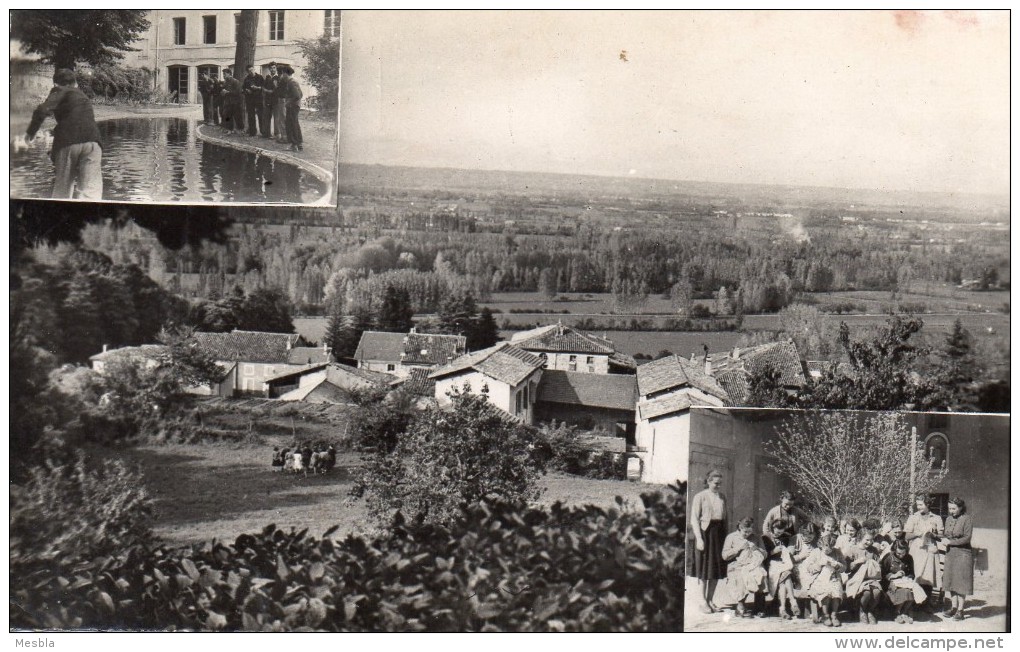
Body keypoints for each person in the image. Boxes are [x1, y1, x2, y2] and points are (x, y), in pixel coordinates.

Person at [25, 68, 104, 200]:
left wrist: (30, 134)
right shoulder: (82, 95)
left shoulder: (60, 90)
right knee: (91, 193)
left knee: (63, 190)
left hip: (68, 141)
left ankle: (59, 217)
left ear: (56, 84)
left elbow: (42, 110)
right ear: (75, 83)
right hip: (94, 143)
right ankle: (89, 218)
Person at [690, 469, 727, 614]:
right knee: (705, 570)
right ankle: (703, 601)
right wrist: (699, 538)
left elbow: (725, 518)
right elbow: (694, 518)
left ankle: (711, 600)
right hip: (706, 534)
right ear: (709, 482)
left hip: (719, 534)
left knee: (716, 570)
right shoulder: (700, 496)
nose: (718, 486)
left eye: (720, 484)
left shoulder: (722, 497)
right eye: (716, 483)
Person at [721, 518, 769, 618]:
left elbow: (765, 554)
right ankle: (740, 606)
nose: (747, 534)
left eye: (750, 531)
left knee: (761, 573)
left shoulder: (756, 537)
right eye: (745, 532)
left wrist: (757, 548)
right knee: (740, 576)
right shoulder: (731, 537)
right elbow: (725, 556)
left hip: (752, 564)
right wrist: (738, 548)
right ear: (740, 528)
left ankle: (759, 606)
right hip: (737, 565)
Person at [904, 494, 944, 610]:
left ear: (927, 504)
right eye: (917, 505)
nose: (919, 507)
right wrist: (917, 533)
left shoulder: (936, 518)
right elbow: (906, 535)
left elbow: (941, 535)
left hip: (930, 549)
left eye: (921, 505)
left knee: (929, 576)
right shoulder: (913, 517)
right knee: (917, 575)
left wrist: (933, 534)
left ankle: (926, 604)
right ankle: (915, 604)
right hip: (917, 550)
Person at [940, 497, 973, 621]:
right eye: (949, 508)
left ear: (960, 508)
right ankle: (953, 608)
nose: (951, 511)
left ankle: (960, 610)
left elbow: (967, 538)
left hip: (963, 553)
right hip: (951, 553)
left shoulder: (967, 519)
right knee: (950, 581)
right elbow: (946, 535)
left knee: (961, 582)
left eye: (953, 508)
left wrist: (950, 542)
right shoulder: (948, 519)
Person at [804, 533, 846, 627]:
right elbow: (809, 568)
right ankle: (825, 615)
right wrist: (819, 564)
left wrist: (838, 565)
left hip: (834, 578)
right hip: (818, 580)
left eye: (830, 548)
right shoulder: (816, 552)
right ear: (820, 545)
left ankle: (834, 615)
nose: (828, 550)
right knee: (825, 591)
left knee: (837, 591)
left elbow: (844, 567)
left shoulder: (837, 552)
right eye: (825, 548)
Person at [882, 539, 927, 624]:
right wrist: (893, 576)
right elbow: (882, 573)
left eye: (903, 553)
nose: (901, 556)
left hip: (904, 582)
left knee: (915, 589)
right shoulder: (888, 557)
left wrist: (907, 577)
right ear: (894, 550)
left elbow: (912, 573)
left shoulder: (909, 558)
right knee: (905, 591)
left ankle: (904, 612)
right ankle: (897, 612)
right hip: (889, 583)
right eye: (898, 553)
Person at [762, 517, 799, 619]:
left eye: (781, 532)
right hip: (772, 565)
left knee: (784, 578)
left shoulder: (786, 537)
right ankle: (792, 602)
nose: (779, 534)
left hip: (783, 564)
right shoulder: (766, 538)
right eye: (777, 532)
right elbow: (763, 555)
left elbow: (791, 548)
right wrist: (773, 551)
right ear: (773, 528)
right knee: (786, 576)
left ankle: (782, 609)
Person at [844, 528, 883, 625]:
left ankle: (870, 610)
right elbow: (846, 569)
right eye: (867, 540)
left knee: (877, 591)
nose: (869, 542)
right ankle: (862, 611)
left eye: (871, 540)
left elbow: (879, 565)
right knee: (866, 592)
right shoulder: (852, 549)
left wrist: (873, 563)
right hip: (856, 579)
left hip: (870, 578)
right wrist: (857, 562)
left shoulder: (873, 550)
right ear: (860, 537)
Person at [280, 65, 304, 151]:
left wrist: (288, 102)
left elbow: (297, 96)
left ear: (286, 74)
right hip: (295, 106)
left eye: (283, 73)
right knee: (295, 124)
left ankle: (294, 145)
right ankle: (299, 143)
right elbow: (301, 94)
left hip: (292, 106)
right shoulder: (294, 81)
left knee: (290, 124)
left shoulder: (291, 82)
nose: (282, 75)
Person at [242, 65, 264, 137]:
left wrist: (257, 88)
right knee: (251, 116)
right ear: (247, 72)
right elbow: (243, 89)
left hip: (259, 99)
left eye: (252, 70)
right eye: (249, 71)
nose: (251, 72)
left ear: (254, 69)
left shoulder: (260, 77)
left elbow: (263, 87)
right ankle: (252, 132)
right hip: (250, 99)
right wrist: (246, 91)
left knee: (261, 115)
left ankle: (263, 131)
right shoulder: (246, 79)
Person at [267, 64, 287, 143]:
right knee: (280, 118)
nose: (273, 70)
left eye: (275, 68)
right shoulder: (270, 77)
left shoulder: (282, 79)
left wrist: (275, 86)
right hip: (277, 100)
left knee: (281, 118)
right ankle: (282, 136)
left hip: (281, 100)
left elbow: (281, 91)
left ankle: (283, 136)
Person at [221, 68, 244, 134]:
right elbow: (224, 91)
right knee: (227, 116)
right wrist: (222, 92)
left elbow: (238, 92)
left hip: (235, 102)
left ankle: (241, 129)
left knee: (237, 116)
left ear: (229, 74)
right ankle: (229, 129)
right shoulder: (225, 82)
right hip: (228, 102)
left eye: (225, 74)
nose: (223, 76)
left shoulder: (235, 81)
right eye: (223, 74)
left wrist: (227, 92)